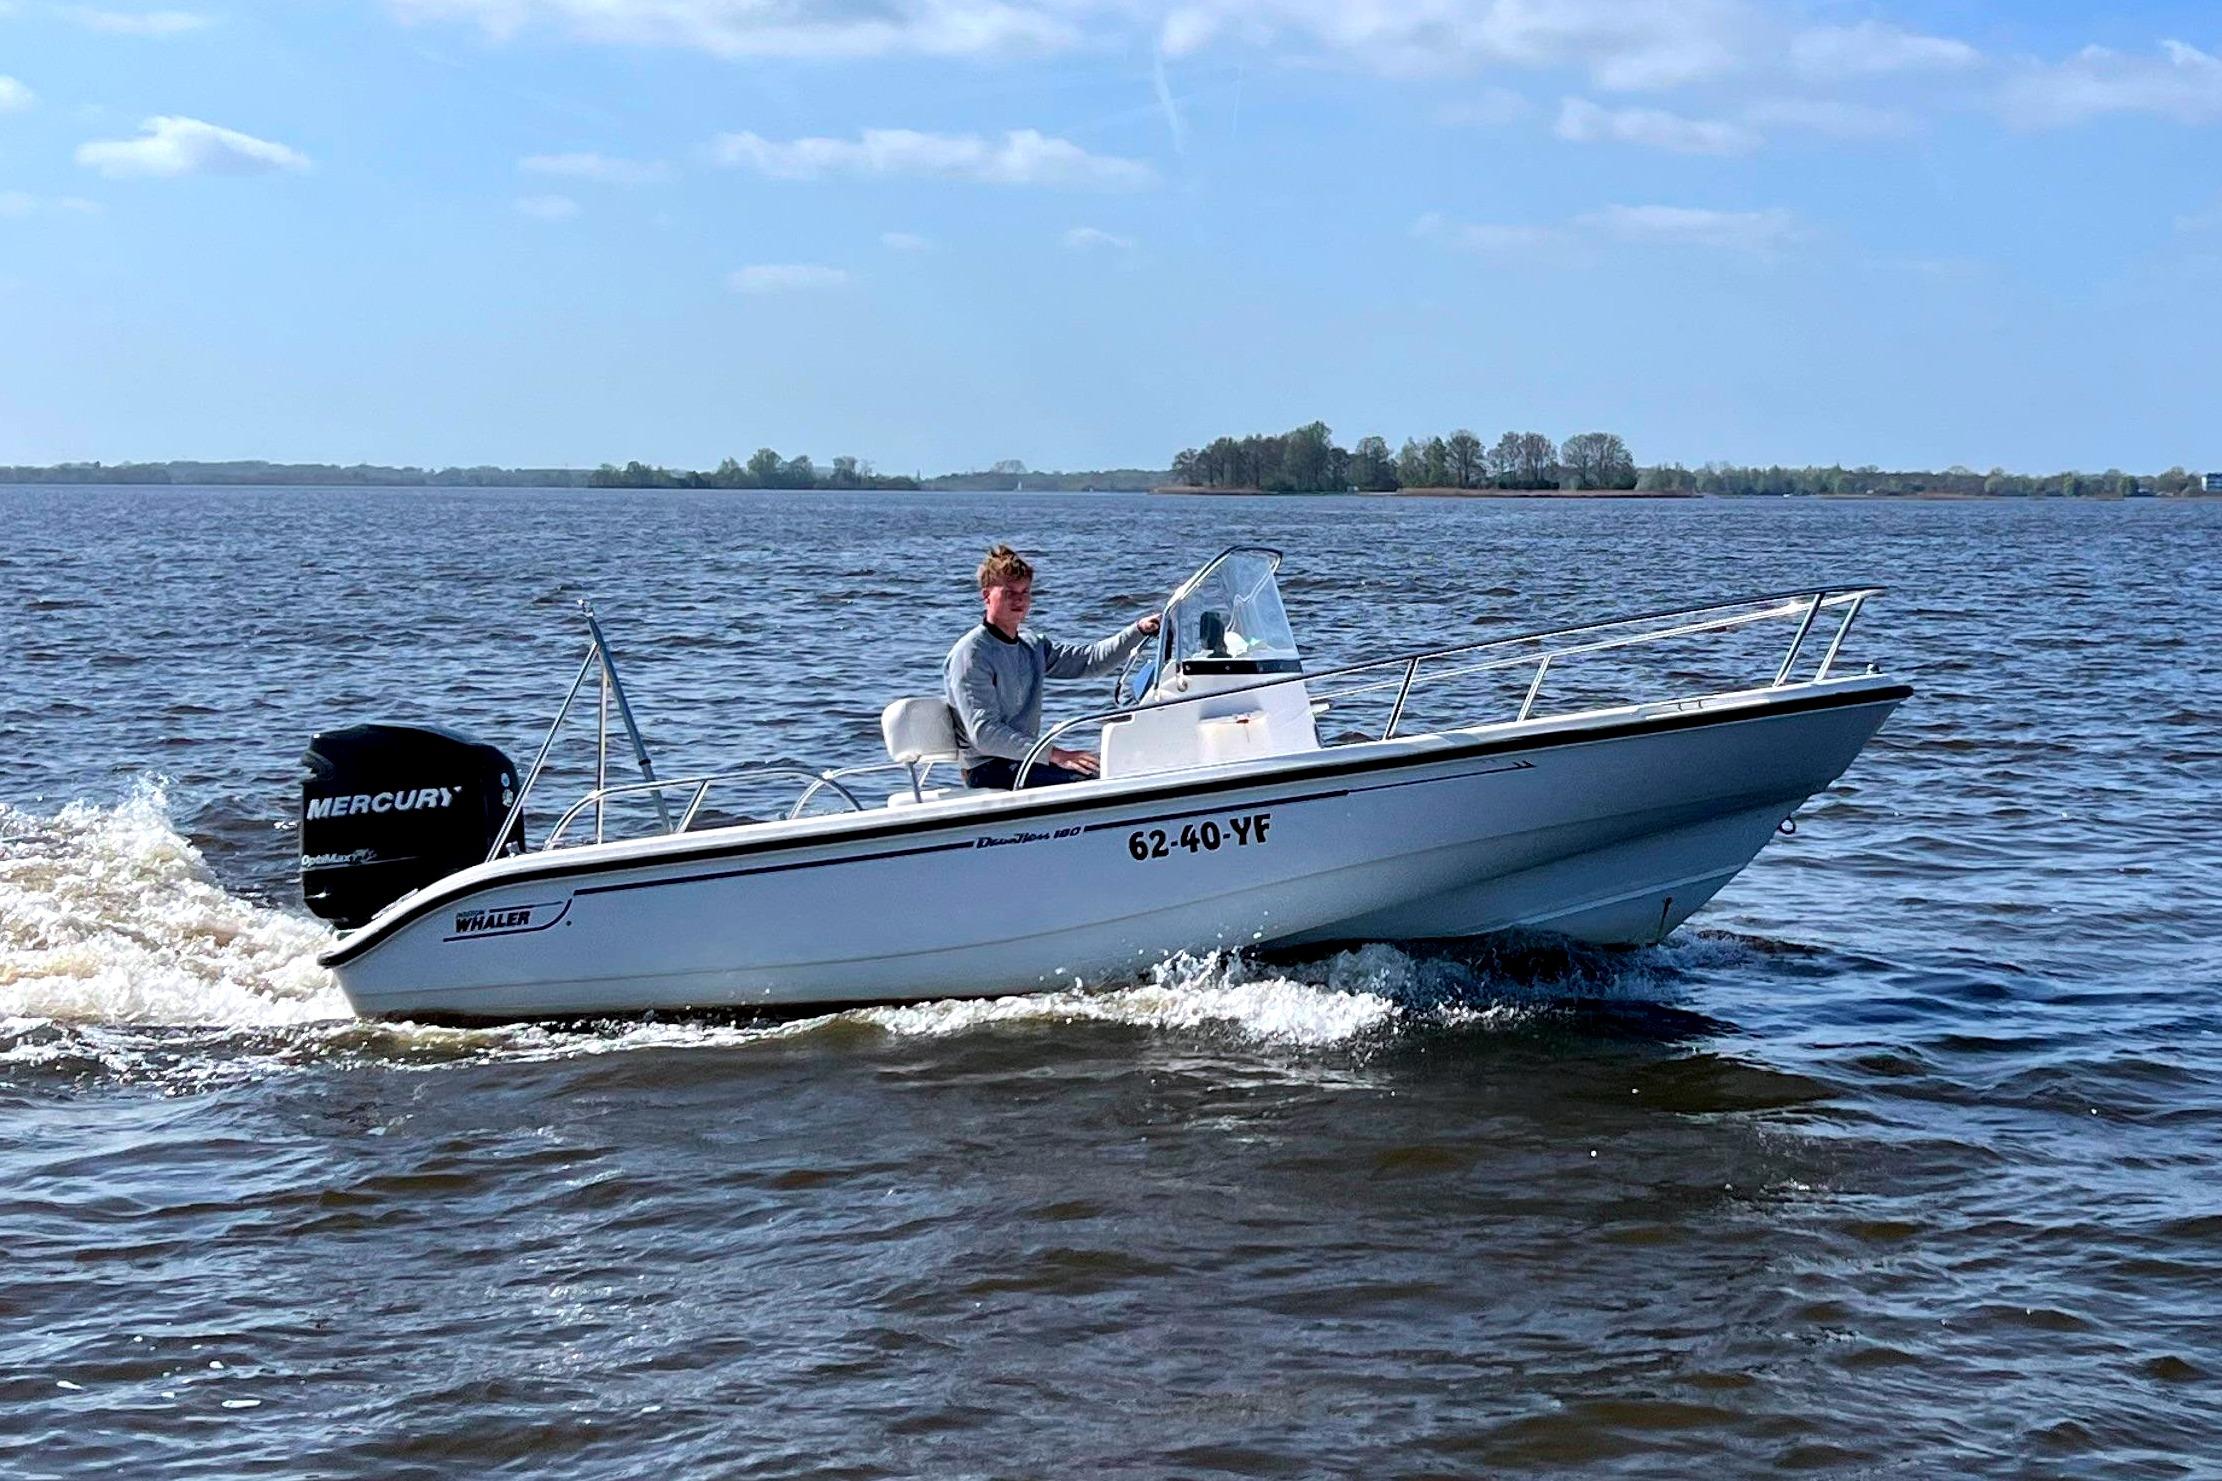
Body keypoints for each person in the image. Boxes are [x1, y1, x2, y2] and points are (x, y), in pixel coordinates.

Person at [944, 544, 1161, 789]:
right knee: (1095, 778)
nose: (1019, 600)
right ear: (987, 596)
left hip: (1027, 760)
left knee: (1122, 764)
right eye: (1009, 592)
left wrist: (1139, 630)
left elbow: (1090, 661)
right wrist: (1056, 755)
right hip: (988, 769)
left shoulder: (1031, 645)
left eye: (1025, 592)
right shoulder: (972, 654)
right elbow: (984, 734)